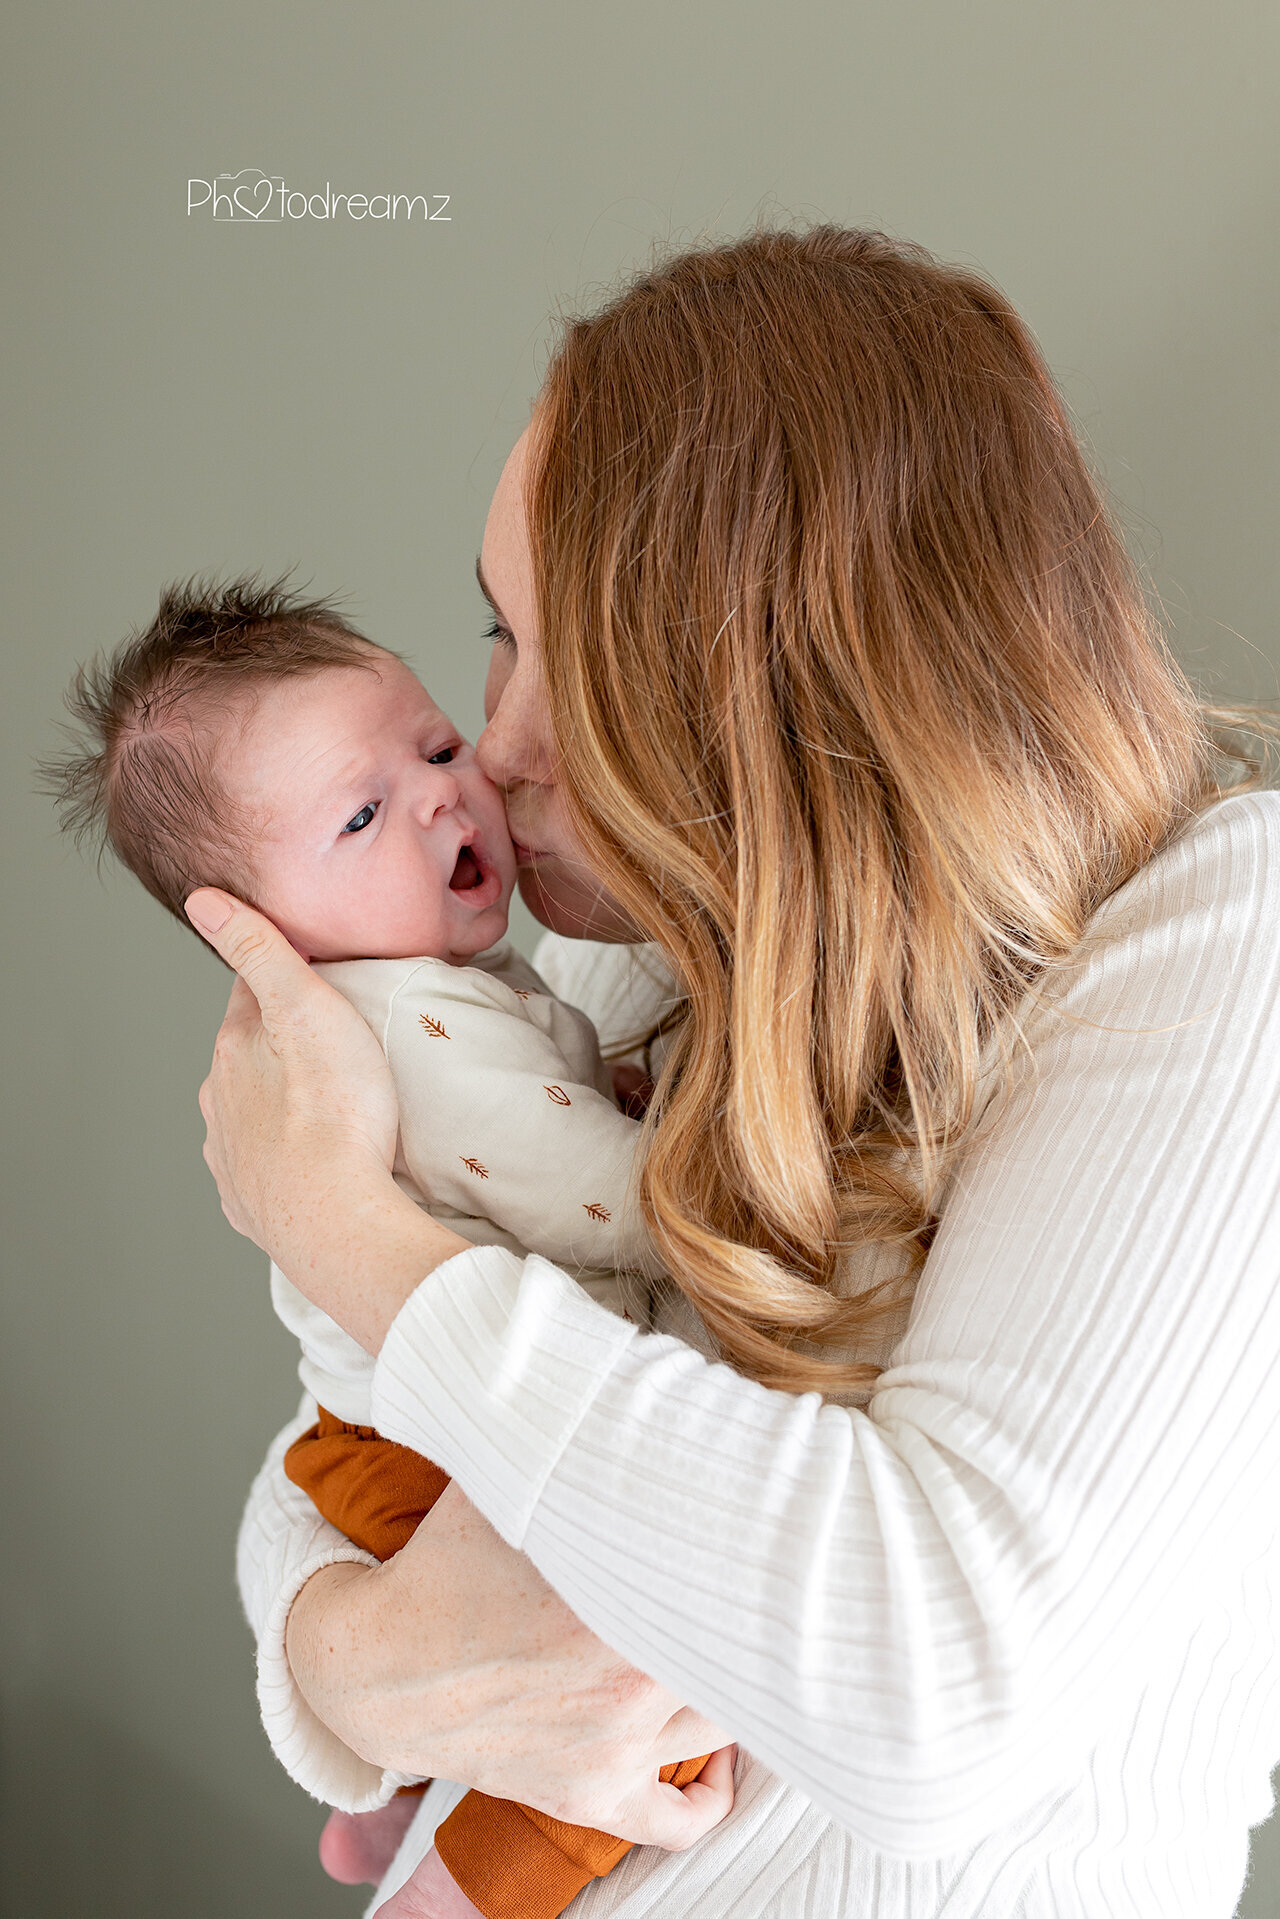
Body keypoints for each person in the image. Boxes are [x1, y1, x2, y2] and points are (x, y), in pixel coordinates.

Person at [195, 227, 1280, 1918]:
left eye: (597, 670)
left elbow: (931, 1700)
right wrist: (357, 1658)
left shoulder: (1223, 944)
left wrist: (326, 1214)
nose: (499, 749)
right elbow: (335, 1471)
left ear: (801, 686)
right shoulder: (654, 950)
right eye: (500, 633)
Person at [41, 580, 712, 1919]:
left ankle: (387, 1814)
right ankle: (443, 1897)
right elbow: (619, 1207)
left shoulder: (438, 982)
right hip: (419, 1452)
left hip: (368, 1433)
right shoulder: (417, 1031)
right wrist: (723, 1160)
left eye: (434, 747)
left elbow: (543, 1136)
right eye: (359, 815)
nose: (440, 796)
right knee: (635, 1706)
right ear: (256, 932)